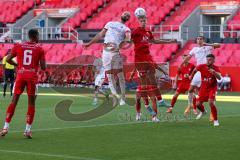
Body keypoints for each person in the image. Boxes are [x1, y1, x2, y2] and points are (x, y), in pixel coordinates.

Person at [0, 29, 46, 139]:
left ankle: (5, 127)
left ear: (28, 36)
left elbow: (8, 59)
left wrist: (18, 64)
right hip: (32, 77)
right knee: (31, 104)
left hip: (20, 75)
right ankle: (27, 130)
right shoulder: (39, 48)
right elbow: (44, 67)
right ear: (35, 37)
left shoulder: (18, 46)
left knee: (14, 101)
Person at [131, 10, 176, 121]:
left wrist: (169, 41)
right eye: (141, 20)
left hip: (147, 58)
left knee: (153, 96)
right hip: (140, 61)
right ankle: (139, 112)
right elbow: (127, 39)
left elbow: (154, 41)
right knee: (139, 97)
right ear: (138, 21)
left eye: (144, 20)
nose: (143, 22)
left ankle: (155, 114)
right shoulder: (136, 31)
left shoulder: (148, 31)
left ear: (146, 20)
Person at [84, 11, 131, 106]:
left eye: (128, 15)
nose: (126, 15)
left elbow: (128, 38)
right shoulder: (110, 24)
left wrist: (120, 46)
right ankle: (116, 97)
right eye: (125, 13)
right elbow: (100, 35)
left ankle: (123, 98)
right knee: (109, 76)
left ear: (128, 19)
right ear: (121, 15)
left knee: (119, 75)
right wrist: (89, 43)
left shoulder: (126, 29)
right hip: (105, 52)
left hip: (115, 51)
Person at [181, 36, 220, 115]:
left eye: (201, 39)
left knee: (210, 90)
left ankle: (212, 113)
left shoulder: (208, 47)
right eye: (198, 39)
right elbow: (188, 57)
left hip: (208, 70)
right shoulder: (194, 49)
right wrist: (181, 64)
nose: (199, 40)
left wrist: (206, 44)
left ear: (203, 40)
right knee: (190, 89)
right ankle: (190, 105)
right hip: (199, 70)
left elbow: (218, 45)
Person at [190, 54, 221, 126]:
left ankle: (215, 120)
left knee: (211, 102)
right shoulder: (201, 66)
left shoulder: (216, 68)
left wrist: (214, 72)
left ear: (214, 60)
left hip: (212, 88)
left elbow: (219, 78)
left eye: (210, 60)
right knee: (198, 104)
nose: (208, 61)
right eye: (207, 59)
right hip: (203, 88)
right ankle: (203, 112)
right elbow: (195, 70)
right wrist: (191, 76)